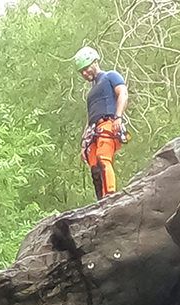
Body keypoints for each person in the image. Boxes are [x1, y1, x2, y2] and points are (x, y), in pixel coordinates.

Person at [74, 46, 129, 200]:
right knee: (95, 168)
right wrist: (84, 141)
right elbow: (90, 116)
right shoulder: (91, 93)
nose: (85, 73)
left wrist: (118, 117)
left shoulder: (111, 76)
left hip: (108, 123)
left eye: (86, 68)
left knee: (103, 158)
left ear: (95, 62)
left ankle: (110, 195)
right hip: (93, 130)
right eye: (81, 72)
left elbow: (122, 93)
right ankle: (101, 200)